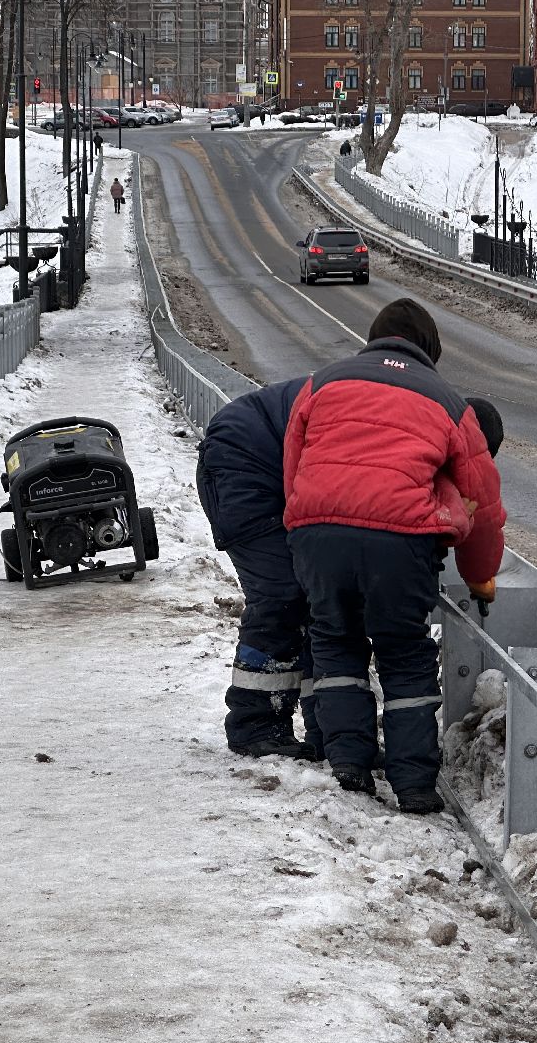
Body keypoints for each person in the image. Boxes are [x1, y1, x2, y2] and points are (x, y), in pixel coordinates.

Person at [283, 300, 506, 814]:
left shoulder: (321, 384)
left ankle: (350, 765)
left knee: (336, 642)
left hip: (319, 533)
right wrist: (480, 578)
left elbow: (293, 469)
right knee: (404, 656)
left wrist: (303, 532)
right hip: (399, 541)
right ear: (431, 351)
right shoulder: (448, 402)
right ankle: (413, 785)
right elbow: (483, 505)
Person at [196, 378, 320, 761]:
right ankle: (255, 726)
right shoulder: (406, 418)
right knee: (282, 595)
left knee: (323, 596)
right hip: (244, 467)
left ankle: (330, 728)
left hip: (270, 463)